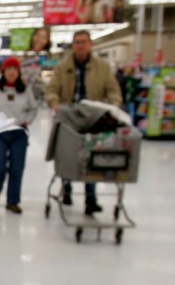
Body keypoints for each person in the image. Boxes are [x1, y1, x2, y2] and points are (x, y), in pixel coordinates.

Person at [45, 30, 123, 216]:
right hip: (69, 117)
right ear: (73, 45)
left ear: (90, 44)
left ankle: (91, 199)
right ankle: (67, 190)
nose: (80, 45)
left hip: (93, 118)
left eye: (83, 42)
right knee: (67, 155)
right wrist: (54, 103)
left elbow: (113, 90)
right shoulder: (63, 67)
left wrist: (113, 105)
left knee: (91, 158)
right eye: (77, 42)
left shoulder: (102, 67)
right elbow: (52, 89)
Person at [0, 57, 38, 214]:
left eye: (14, 69)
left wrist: (28, 120)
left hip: (19, 133)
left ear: (19, 72)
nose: (12, 72)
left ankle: (13, 201)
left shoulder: (25, 90)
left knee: (16, 168)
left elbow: (34, 108)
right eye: (8, 69)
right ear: (3, 72)